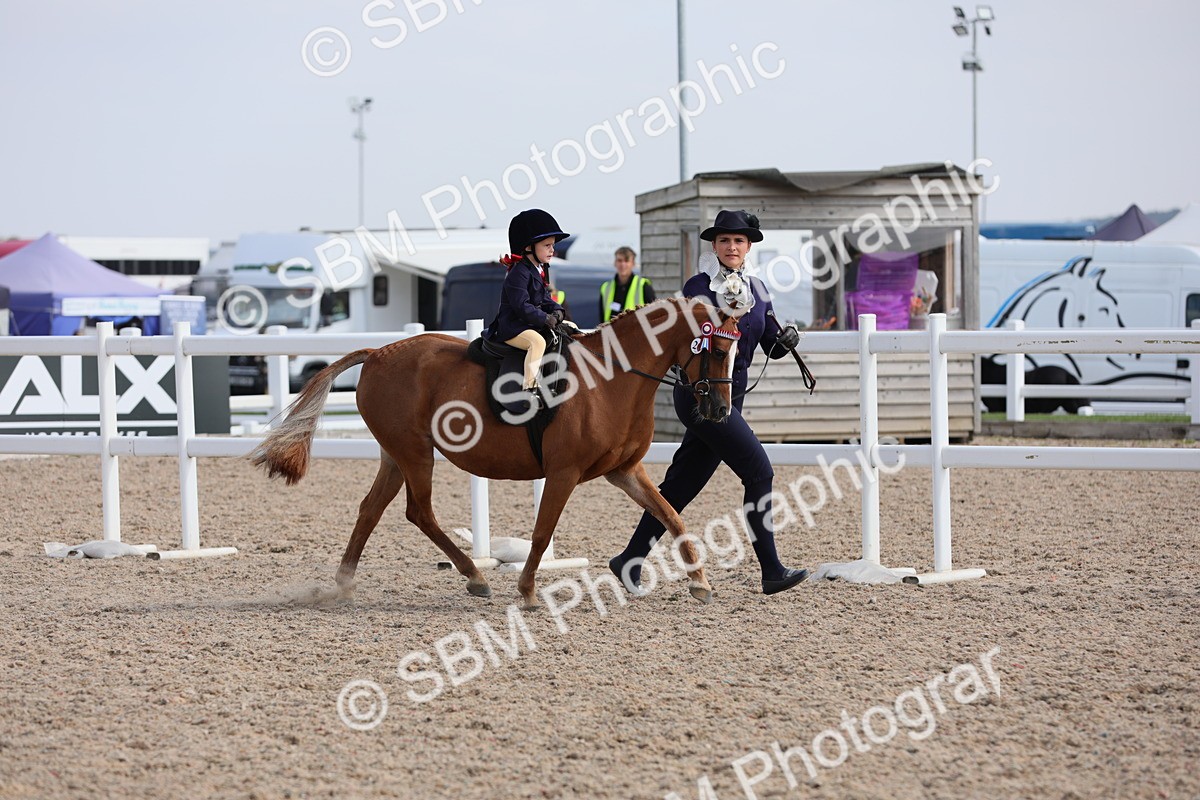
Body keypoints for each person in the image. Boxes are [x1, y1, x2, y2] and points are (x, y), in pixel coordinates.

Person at [609, 209, 808, 596]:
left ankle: (629, 559)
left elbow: (768, 343)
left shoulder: (758, 290)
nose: (732, 246)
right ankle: (771, 570)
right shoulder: (698, 287)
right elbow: (695, 341)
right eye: (724, 240)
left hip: (732, 396)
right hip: (700, 396)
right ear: (714, 246)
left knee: (682, 484)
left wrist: (786, 340)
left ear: (748, 247)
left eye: (738, 241)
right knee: (759, 472)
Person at [485, 209, 570, 402]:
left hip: (527, 323)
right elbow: (522, 306)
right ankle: (530, 389)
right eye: (547, 245)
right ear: (529, 247)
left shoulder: (538, 269)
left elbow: (544, 298)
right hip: (512, 327)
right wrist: (545, 318)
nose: (552, 250)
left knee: (570, 327)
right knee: (537, 342)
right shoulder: (518, 273)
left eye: (553, 245)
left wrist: (557, 311)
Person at [599, 246, 656, 323]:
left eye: (626, 261)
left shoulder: (643, 285)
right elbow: (602, 318)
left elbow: (654, 315)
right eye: (620, 260)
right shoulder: (605, 287)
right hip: (611, 330)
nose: (623, 264)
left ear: (633, 264)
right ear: (615, 263)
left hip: (636, 330)